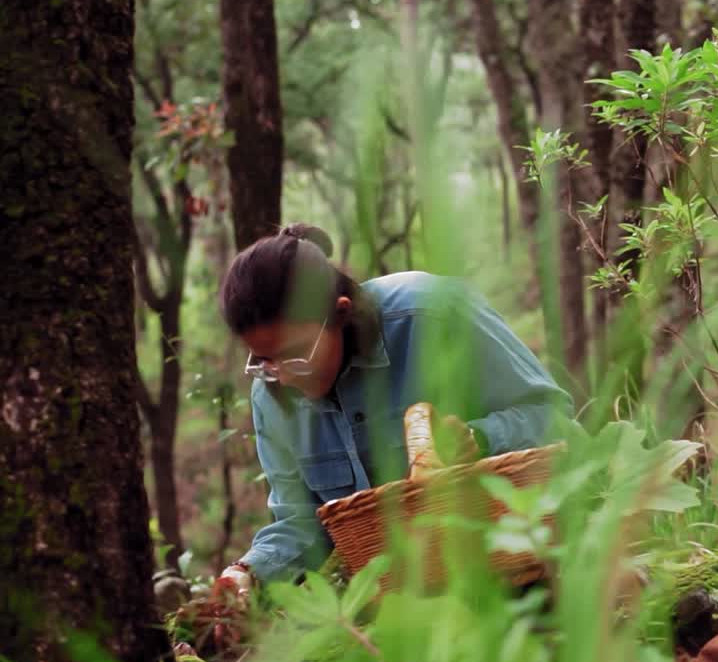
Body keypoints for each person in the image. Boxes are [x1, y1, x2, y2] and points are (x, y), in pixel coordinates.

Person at [215, 223, 571, 591]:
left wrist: (478, 439)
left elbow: (553, 417)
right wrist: (247, 573)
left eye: (296, 356)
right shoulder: (270, 391)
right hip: (398, 598)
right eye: (265, 361)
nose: (284, 378)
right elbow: (302, 523)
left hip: (514, 562)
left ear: (341, 312)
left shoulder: (436, 313)